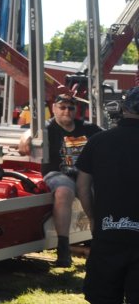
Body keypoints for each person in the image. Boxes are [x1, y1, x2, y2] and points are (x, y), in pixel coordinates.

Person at [64, 86, 139, 304]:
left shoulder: (99, 141)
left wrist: (94, 218)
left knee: (103, 296)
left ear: (125, 108)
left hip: (109, 228)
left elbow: (82, 186)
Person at [19, 92, 102, 267]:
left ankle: (99, 245)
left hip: (85, 175)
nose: (66, 111)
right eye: (62, 107)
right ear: (54, 108)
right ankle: (63, 249)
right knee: (64, 192)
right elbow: (29, 133)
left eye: (70, 108)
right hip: (57, 173)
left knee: (98, 198)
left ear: (76, 110)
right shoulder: (47, 128)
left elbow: (108, 138)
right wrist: (26, 137)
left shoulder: (88, 128)